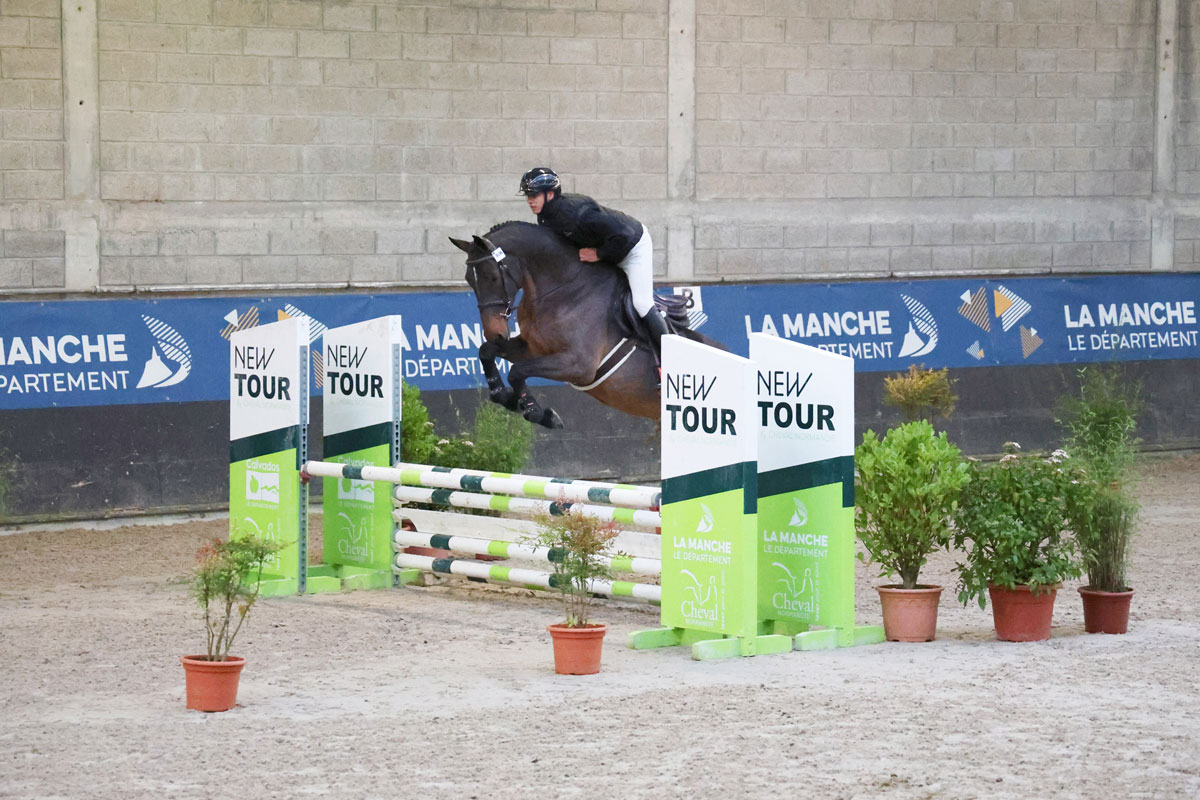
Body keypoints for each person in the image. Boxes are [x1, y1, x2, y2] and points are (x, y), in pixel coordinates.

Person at [518, 167, 670, 363]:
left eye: (534, 195)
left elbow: (623, 235)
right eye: (528, 195)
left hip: (632, 248)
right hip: (604, 251)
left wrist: (598, 254)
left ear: (550, 194)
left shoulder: (579, 213)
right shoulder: (545, 217)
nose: (530, 200)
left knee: (641, 303)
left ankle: (671, 358)